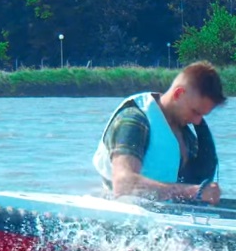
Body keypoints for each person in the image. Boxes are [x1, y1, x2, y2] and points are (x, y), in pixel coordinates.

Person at [91, 61, 226, 204]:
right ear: (179, 93)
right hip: (123, 216)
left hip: (165, 218)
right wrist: (193, 192)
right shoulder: (134, 120)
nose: (198, 122)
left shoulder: (186, 135)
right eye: (195, 112)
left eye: (202, 116)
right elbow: (123, 184)